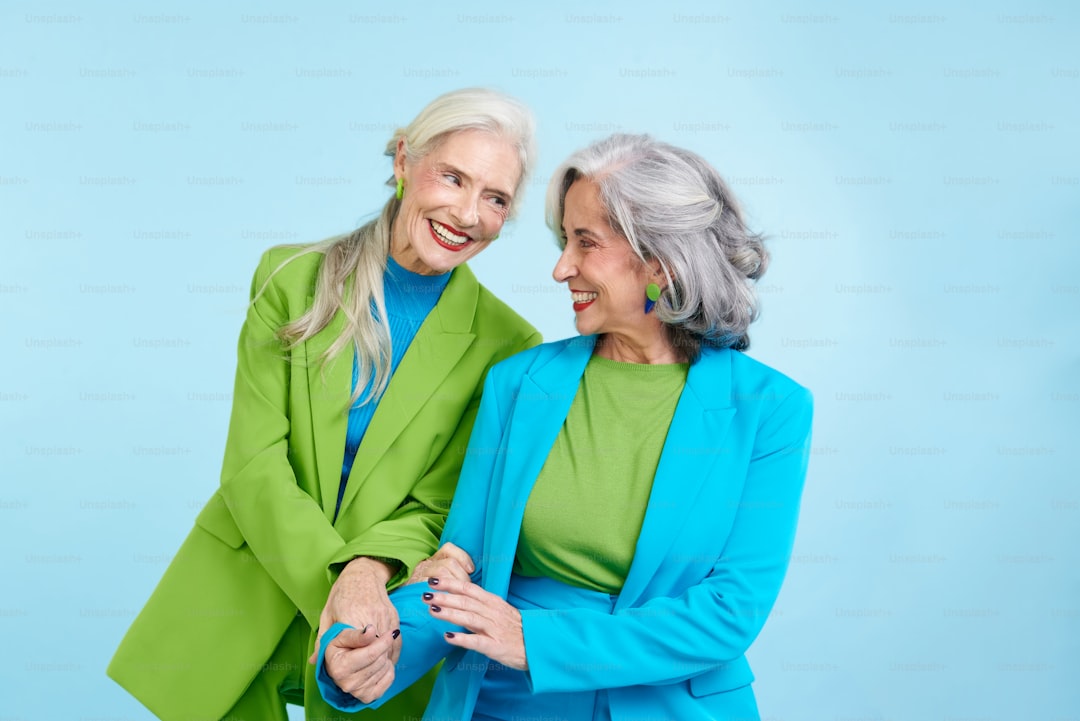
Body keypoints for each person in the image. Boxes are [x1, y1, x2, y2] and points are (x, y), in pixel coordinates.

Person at [316, 133, 814, 721]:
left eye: (585, 243)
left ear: (661, 261)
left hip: (674, 706)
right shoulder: (519, 382)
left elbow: (730, 611)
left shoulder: (771, 407)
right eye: (564, 241)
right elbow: (458, 569)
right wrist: (379, 653)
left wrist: (535, 642)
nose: (561, 268)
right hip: (500, 702)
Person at [107, 88, 541, 721]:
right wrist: (339, 581)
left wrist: (367, 575)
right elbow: (254, 463)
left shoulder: (509, 345)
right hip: (245, 591)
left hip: (377, 630)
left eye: (495, 198)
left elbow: (442, 502)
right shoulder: (289, 278)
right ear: (402, 163)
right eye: (452, 177)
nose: (468, 213)